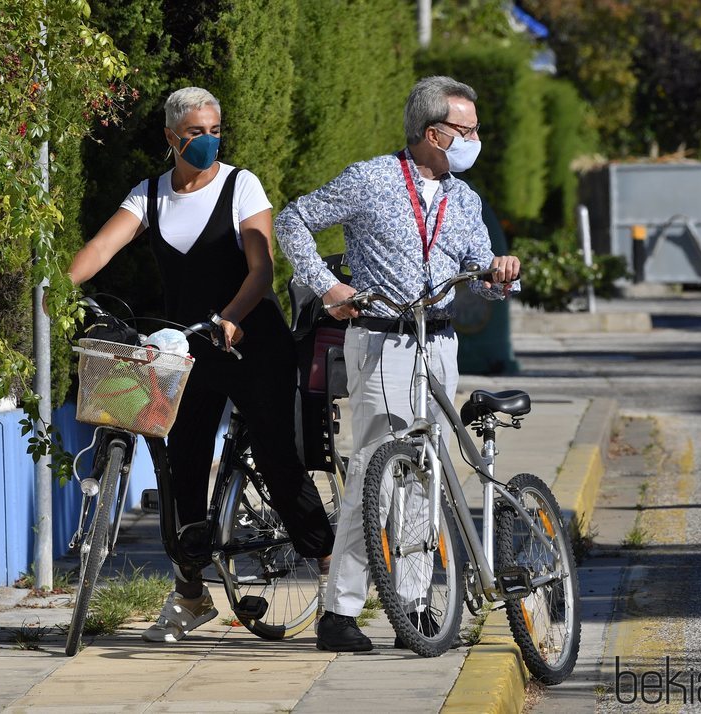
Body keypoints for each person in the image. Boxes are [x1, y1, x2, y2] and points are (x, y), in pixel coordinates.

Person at [67, 86, 335, 643]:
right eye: (195, 133)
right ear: (170, 138)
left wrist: (234, 316)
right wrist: (60, 286)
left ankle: (335, 576)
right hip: (187, 347)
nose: (208, 140)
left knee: (276, 455)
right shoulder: (150, 195)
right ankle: (190, 595)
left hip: (251, 339)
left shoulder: (242, 185)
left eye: (215, 129)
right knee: (179, 465)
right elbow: (100, 247)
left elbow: (260, 268)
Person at [275, 75, 521, 652]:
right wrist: (329, 287)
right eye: (468, 130)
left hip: (439, 342)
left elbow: (481, 275)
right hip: (382, 340)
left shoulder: (465, 199)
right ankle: (340, 612)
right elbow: (293, 221)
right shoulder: (372, 178)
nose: (475, 139)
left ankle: (414, 606)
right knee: (375, 472)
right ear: (434, 133)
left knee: (427, 475)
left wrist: (500, 273)